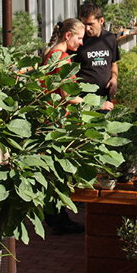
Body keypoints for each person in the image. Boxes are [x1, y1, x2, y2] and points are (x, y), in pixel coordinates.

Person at [42, 18, 87, 235]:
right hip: (56, 122)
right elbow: (68, 94)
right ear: (67, 36)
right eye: (79, 38)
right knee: (57, 172)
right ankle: (57, 220)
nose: (81, 43)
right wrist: (90, 104)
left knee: (56, 172)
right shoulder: (59, 57)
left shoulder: (53, 54)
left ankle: (58, 217)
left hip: (53, 119)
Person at [75, 2, 119, 110]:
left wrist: (114, 78)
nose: (86, 28)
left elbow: (113, 64)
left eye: (90, 24)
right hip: (84, 100)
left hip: (104, 97)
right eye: (84, 24)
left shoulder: (110, 39)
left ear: (101, 21)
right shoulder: (79, 41)